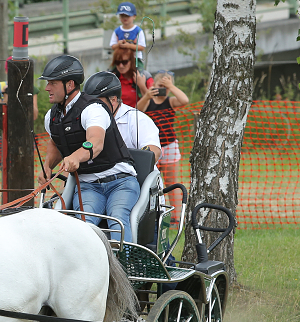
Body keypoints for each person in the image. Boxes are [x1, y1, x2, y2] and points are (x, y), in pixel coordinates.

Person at [37, 54, 141, 243]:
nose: (47, 88)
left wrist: (76, 157)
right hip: (87, 186)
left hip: (120, 182)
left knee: (117, 221)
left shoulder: (93, 109)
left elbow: (95, 141)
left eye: (52, 83)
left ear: (69, 85)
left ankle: (126, 267)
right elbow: (56, 142)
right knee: (83, 228)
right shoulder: (51, 117)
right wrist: (47, 166)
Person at [83, 71, 161, 163]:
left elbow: (153, 151)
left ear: (113, 100)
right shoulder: (86, 118)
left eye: (97, 102)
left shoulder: (138, 119)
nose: (91, 106)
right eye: (88, 101)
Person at [137, 70, 189, 187]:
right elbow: (138, 111)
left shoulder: (170, 101)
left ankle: (177, 206)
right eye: (160, 86)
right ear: (153, 85)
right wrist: (146, 96)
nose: (163, 89)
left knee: (172, 182)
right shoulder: (148, 101)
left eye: (166, 87)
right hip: (151, 146)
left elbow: (184, 100)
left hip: (169, 145)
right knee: (151, 182)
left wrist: (170, 86)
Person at [0, 56, 39, 158]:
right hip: (5, 135)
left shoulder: (31, 88)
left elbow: (34, 116)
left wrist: (26, 94)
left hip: (25, 133)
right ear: (6, 71)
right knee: (5, 169)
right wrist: (7, 95)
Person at [109, 2, 146, 69]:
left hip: (135, 58)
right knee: (113, 72)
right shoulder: (117, 31)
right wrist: (118, 45)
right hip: (120, 59)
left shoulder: (138, 31)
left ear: (134, 16)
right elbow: (113, 46)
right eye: (122, 16)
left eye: (127, 16)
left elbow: (141, 47)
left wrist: (128, 46)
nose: (125, 18)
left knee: (140, 74)